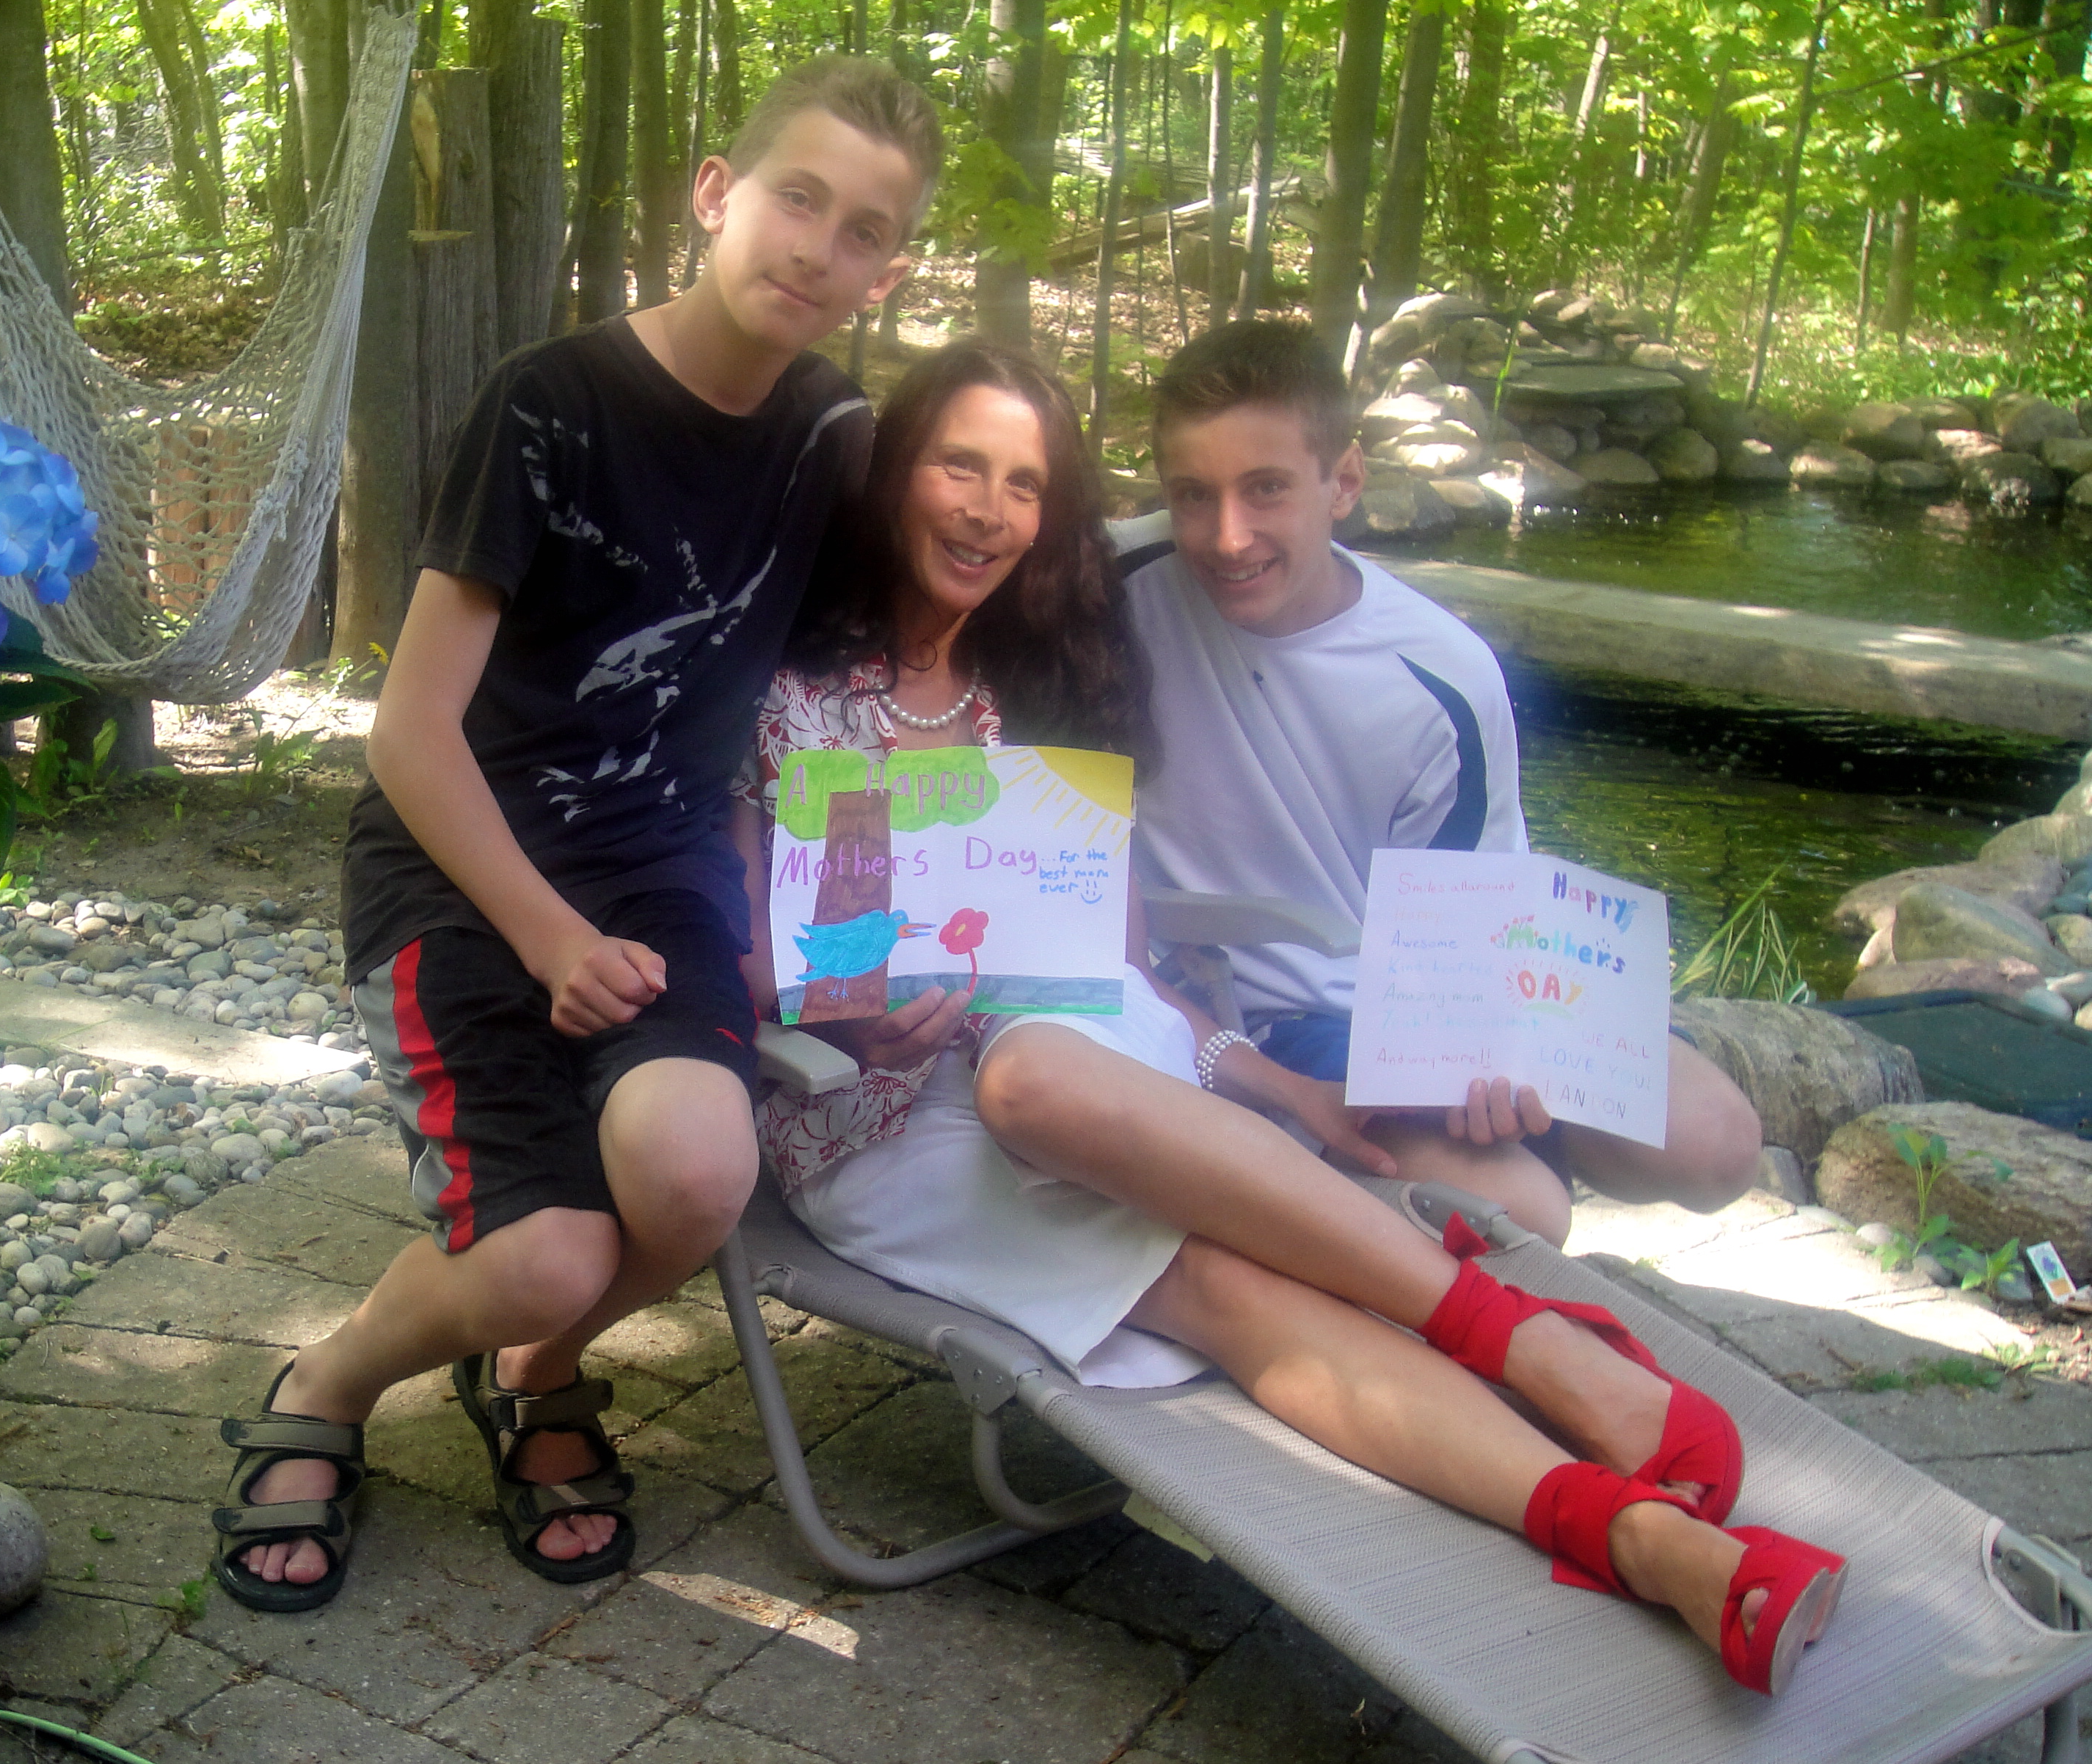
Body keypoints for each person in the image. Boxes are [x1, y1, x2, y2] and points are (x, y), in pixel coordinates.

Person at [733, 338, 1845, 1696]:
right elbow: (773, 962)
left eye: (1024, 484)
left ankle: (1587, 1440)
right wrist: (847, 1017)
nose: (986, 510)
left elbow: (1124, 971)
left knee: (1044, 1071)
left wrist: (1283, 1089)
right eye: (957, 466)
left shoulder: (1048, 681)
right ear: (898, 472)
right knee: (1213, 1278)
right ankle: (1614, 1491)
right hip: (886, 1111)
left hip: (1084, 1054)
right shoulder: (796, 696)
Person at [204, 57, 944, 1613]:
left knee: (694, 1174)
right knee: (543, 1244)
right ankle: (332, 1375)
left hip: (662, 875)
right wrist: (548, 937)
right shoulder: (546, 403)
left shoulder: (832, 438)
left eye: (866, 231)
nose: (820, 247)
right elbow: (408, 731)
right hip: (462, 869)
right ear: (716, 192)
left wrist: (854, 948)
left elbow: (837, 716)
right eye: (798, 197)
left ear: (889, 270)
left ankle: (534, 1369)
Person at [1111, 318, 1763, 1246]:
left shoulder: (1444, 670)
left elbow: (1476, 906)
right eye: (1192, 495)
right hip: (1266, 1009)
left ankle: (1492, 1145)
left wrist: (1485, 1058)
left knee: (1717, 1141)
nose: (1228, 535)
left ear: (1345, 481)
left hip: (1416, 995)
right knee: (1528, 1216)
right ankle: (1470, 1172)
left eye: (1266, 488)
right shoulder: (1111, 588)